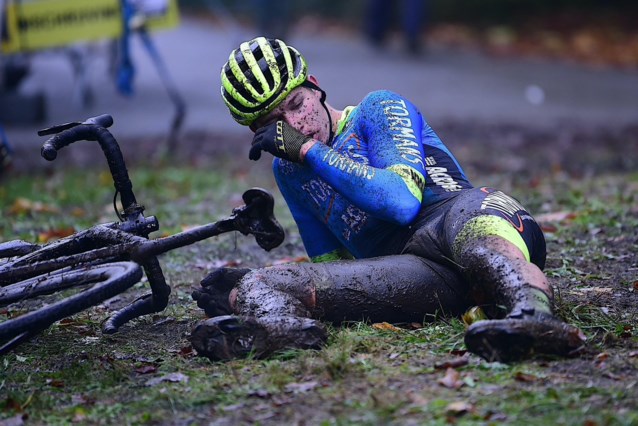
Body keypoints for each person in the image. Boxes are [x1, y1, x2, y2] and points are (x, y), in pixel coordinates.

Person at [189, 37, 586, 363]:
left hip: (463, 216)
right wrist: (258, 293)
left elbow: (400, 202)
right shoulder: (289, 171)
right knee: (257, 280)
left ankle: (533, 316)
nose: (293, 127)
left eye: (296, 104)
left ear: (313, 83)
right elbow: (331, 266)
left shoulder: (376, 108)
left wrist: (309, 151)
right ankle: (275, 329)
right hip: (415, 272)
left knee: (479, 242)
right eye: (274, 125)